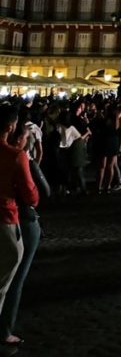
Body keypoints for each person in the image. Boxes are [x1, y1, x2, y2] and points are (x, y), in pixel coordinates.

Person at [0, 117, 49, 348]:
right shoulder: (18, 157)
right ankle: (4, 330)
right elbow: (35, 196)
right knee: (11, 281)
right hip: (15, 220)